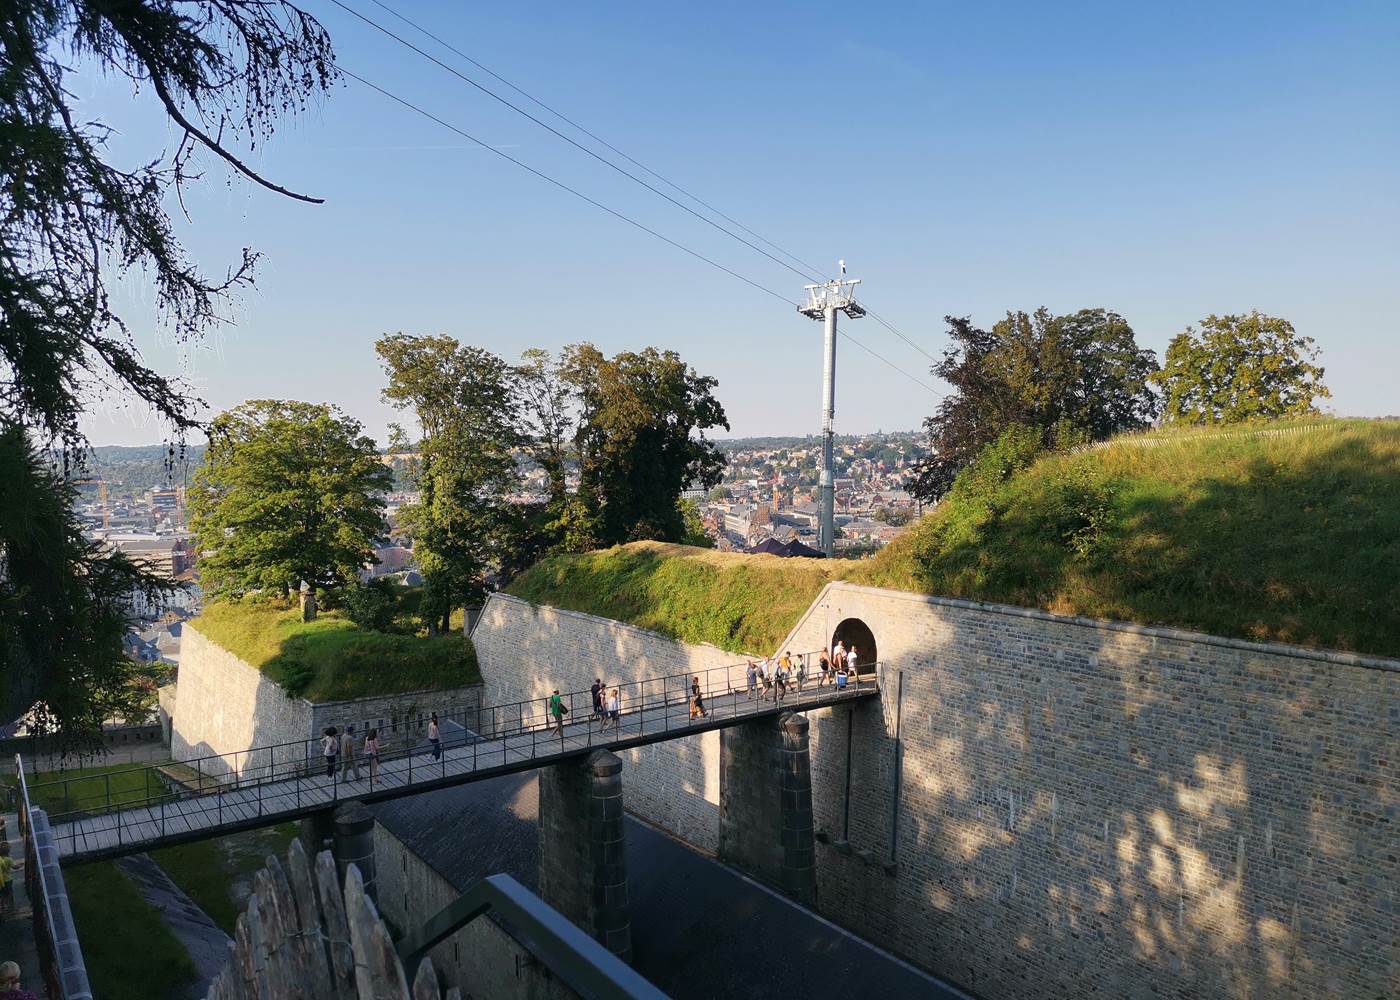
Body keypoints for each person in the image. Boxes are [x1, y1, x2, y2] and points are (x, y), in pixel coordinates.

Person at [0, 843, 20, 918]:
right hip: (8, 880)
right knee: (10, 894)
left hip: (1, 881)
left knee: (2, 895)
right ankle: (11, 908)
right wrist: (21, 865)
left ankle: (2, 908)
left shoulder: (0, 859)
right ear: (8, 851)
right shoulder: (9, 859)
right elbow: (15, 867)